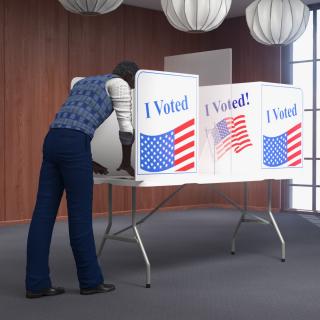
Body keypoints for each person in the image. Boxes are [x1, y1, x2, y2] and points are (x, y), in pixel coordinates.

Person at [25, 61, 139, 299]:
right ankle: (90, 281)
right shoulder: (119, 84)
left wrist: (87, 158)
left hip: (53, 139)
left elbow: (76, 120)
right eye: (133, 83)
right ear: (128, 76)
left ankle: (36, 283)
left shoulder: (86, 81)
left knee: (43, 215)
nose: (132, 89)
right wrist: (126, 163)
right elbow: (126, 129)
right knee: (80, 215)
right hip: (74, 144)